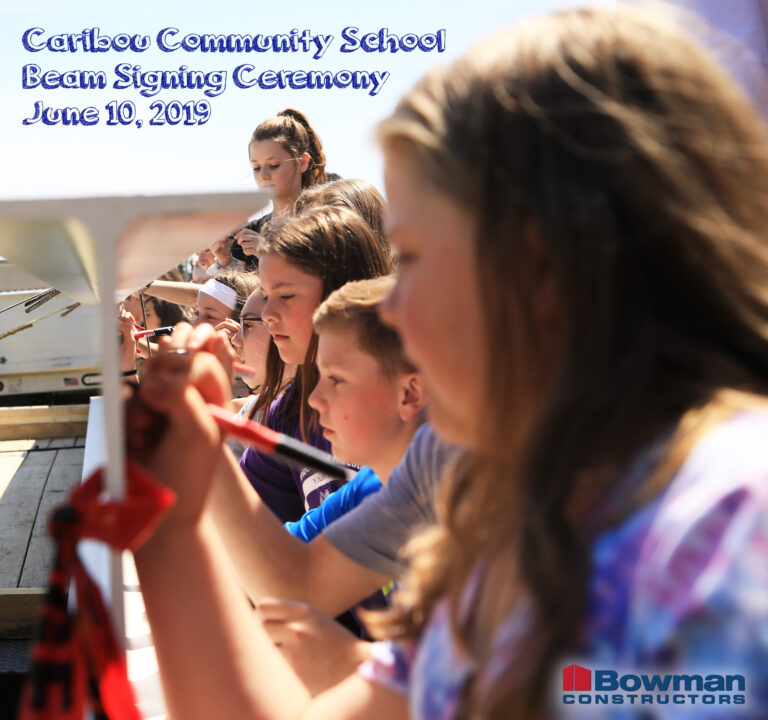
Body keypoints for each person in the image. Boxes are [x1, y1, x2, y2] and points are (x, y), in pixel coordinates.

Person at [131, 6, 768, 719]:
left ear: (541, 263)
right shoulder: (485, 480)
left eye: (414, 259)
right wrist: (176, 511)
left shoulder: (728, 533)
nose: (391, 309)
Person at [239, 205, 392, 521]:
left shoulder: (419, 422)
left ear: (339, 292)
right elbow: (257, 538)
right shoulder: (286, 414)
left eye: (286, 296)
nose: (267, 314)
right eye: (266, 295)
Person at [232, 109, 329, 267]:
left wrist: (269, 254)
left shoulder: (324, 224)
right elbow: (238, 291)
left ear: (303, 162)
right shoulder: (252, 232)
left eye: (274, 165)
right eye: (256, 167)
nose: (263, 175)